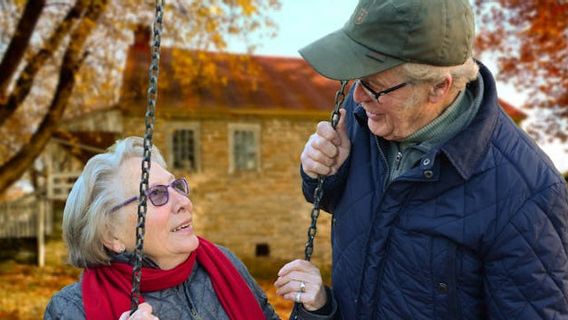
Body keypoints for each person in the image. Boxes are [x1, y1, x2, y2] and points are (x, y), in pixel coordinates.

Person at [298, 0, 568, 319]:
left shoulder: (528, 195)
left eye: (374, 86)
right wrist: (323, 173)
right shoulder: (364, 120)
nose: (358, 97)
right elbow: (347, 209)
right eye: (356, 78)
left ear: (439, 87)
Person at [44, 137, 337, 320]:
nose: (182, 201)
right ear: (111, 235)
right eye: (156, 194)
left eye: (176, 186)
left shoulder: (222, 265)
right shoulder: (71, 310)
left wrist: (317, 309)